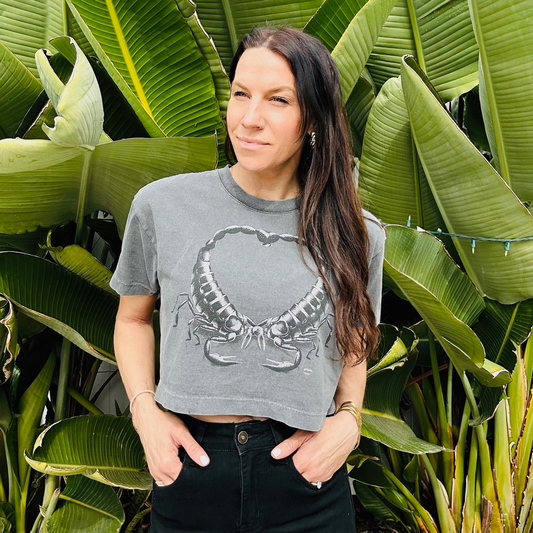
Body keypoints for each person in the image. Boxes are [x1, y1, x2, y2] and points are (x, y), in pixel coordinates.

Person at [110, 26, 384, 533]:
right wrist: (144, 412)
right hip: (192, 470)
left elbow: (354, 342)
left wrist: (349, 420)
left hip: (307, 481)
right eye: (240, 94)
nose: (250, 118)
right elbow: (132, 319)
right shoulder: (162, 205)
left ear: (312, 119)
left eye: (278, 100)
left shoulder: (356, 231)